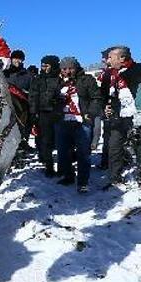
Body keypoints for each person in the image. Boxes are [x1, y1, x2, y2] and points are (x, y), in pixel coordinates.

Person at [54, 57, 102, 193]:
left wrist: (90, 113)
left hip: (82, 122)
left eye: (70, 68)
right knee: (63, 153)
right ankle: (68, 176)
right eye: (64, 69)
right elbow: (48, 99)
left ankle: (82, 182)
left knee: (83, 154)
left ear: (76, 68)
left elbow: (96, 98)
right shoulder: (57, 82)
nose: (67, 71)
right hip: (63, 122)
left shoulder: (87, 80)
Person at [101, 46, 141, 188]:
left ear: (122, 58)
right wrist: (105, 107)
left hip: (137, 116)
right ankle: (114, 178)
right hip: (118, 117)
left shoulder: (138, 70)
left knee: (139, 147)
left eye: (111, 57)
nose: (108, 60)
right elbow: (104, 95)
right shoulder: (108, 74)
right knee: (114, 147)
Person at [29, 55, 62, 176]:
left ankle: (64, 166)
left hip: (59, 113)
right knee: (45, 140)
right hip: (43, 113)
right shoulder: (37, 79)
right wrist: (33, 113)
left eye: (46, 66)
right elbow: (32, 97)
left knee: (60, 140)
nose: (43, 68)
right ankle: (49, 166)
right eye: (42, 65)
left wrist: (58, 100)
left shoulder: (60, 78)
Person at [4, 49, 34, 151]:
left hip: (23, 108)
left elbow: (32, 91)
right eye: (16, 58)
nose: (18, 61)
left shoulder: (28, 75)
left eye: (20, 59)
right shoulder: (5, 73)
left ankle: (22, 141)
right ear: (11, 59)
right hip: (6, 105)